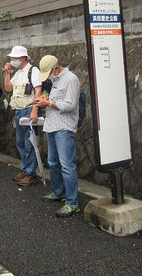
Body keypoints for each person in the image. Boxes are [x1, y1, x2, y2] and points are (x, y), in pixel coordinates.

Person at [35, 55, 81, 218]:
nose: (48, 77)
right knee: (53, 162)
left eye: (48, 73)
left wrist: (48, 103)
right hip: (52, 125)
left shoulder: (71, 79)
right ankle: (58, 192)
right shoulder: (56, 80)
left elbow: (70, 105)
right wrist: (47, 99)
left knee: (67, 165)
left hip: (64, 126)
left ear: (55, 68)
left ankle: (72, 202)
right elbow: (57, 101)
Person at [4, 46, 42, 187]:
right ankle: (25, 169)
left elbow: (38, 91)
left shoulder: (33, 70)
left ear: (22, 58)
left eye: (13, 58)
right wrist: (7, 73)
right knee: (21, 142)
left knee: (29, 143)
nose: (11, 60)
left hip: (28, 110)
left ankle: (31, 174)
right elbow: (8, 88)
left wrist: (35, 110)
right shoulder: (19, 72)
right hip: (18, 111)